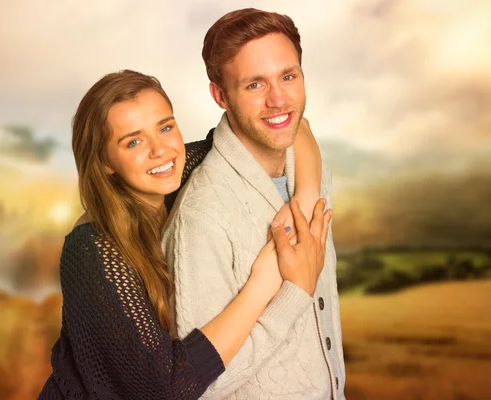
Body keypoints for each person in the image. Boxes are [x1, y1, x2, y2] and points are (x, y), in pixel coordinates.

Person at [37, 70, 331, 399]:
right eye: (133, 141)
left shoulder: (182, 170)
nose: (159, 150)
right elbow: (166, 389)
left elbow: (294, 129)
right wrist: (266, 285)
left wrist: (303, 203)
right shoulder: (93, 252)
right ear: (105, 161)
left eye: (165, 127)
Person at [162, 8, 346, 400]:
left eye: (288, 76)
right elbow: (199, 386)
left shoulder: (311, 170)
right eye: (254, 85)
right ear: (220, 96)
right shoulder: (203, 214)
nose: (278, 100)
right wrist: (292, 292)